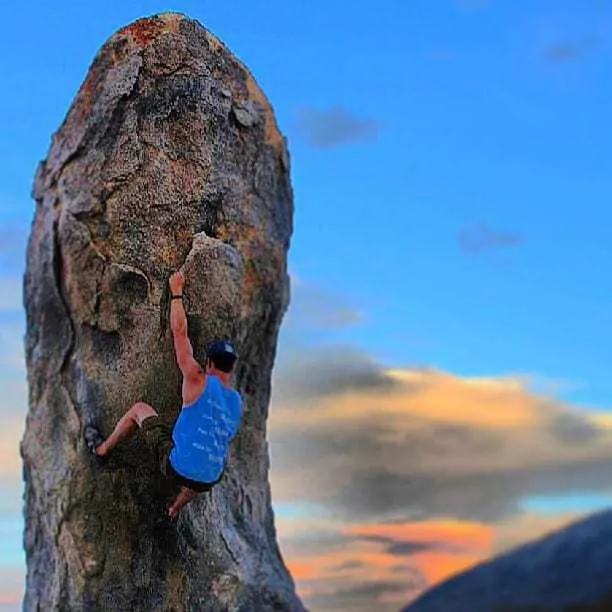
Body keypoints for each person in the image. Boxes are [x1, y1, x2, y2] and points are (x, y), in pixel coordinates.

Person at [84, 270, 243, 520]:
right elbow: (223, 434)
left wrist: (176, 292)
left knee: (139, 410)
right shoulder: (235, 402)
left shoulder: (196, 377)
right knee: (205, 453)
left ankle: (101, 450)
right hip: (211, 477)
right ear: (231, 367)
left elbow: (180, 333)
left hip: (177, 468)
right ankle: (175, 507)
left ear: (209, 362)